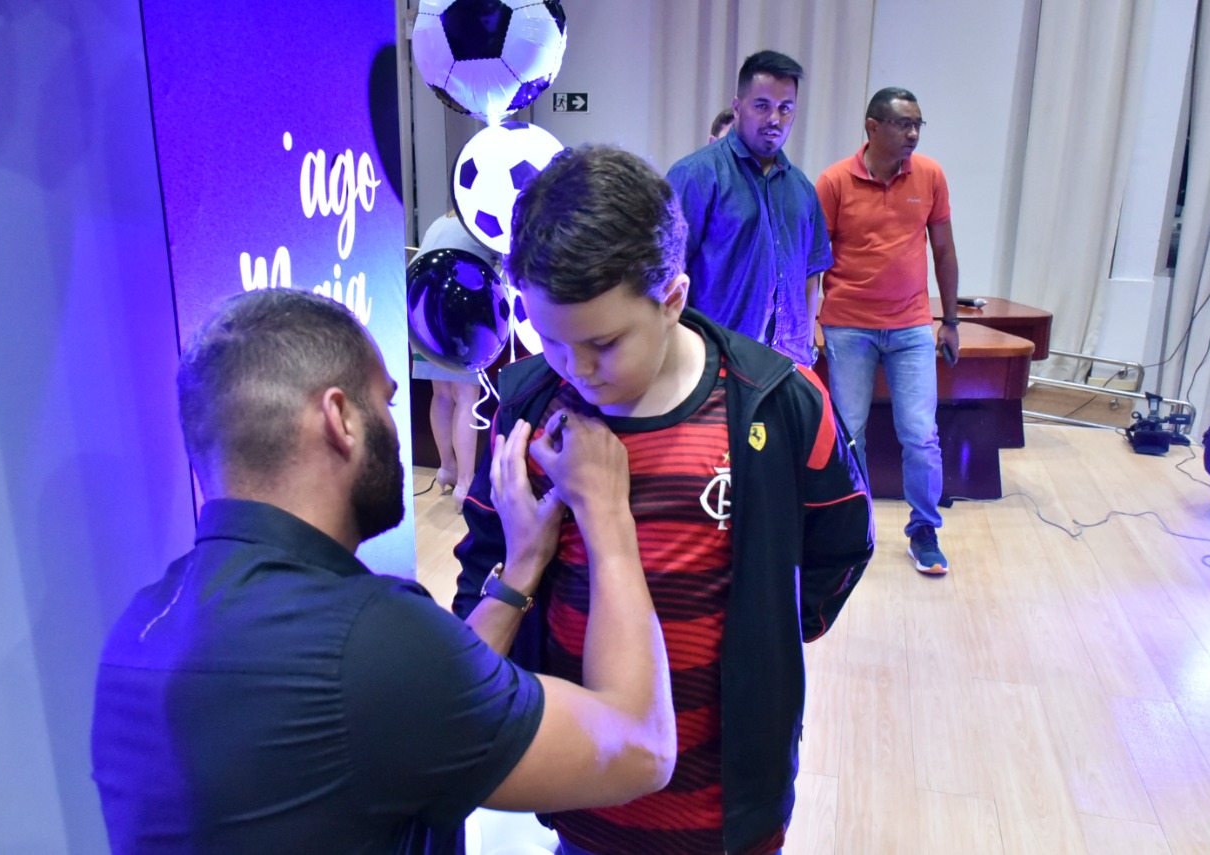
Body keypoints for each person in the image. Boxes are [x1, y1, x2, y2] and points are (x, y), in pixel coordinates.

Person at [90, 289, 676, 854]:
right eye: (388, 403)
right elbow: (641, 747)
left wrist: (522, 565)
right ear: (340, 418)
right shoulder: (371, 640)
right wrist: (605, 516)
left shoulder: (136, 632)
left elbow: (416, 699)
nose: (396, 429)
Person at [452, 146, 873, 855]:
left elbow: (840, 544)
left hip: (727, 812)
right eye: (550, 339)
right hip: (581, 795)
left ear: (672, 298)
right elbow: (480, 564)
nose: (576, 369)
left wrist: (762, 635)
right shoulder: (526, 406)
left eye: (604, 342)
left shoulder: (776, 402)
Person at [816, 86, 961, 575]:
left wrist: (952, 323)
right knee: (848, 433)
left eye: (919, 123)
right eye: (904, 124)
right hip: (847, 326)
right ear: (873, 127)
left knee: (920, 435)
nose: (913, 133)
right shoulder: (834, 181)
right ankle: (849, 526)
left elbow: (943, 250)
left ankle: (924, 530)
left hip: (912, 326)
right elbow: (813, 262)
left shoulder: (931, 175)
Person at [666, 50, 833, 367]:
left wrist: (806, 351)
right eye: (762, 105)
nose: (775, 119)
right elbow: (666, 272)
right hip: (716, 362)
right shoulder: (697, 175)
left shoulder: (802, 189)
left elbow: (811, 277)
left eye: (785, 108)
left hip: (787, 364)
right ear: (737, 107)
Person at [410, 211, 498, 513]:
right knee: (465, 398)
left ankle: (446, 468)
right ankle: (465, 483)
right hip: (457, 317)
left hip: (420, 314)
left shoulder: (440, 221)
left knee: (442, 395)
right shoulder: (486, 224)